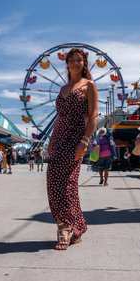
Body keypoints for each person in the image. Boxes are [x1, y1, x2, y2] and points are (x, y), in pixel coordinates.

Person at [47, 48, 98, 250]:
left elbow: (93, 116)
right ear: (67, 63)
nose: (76, 63)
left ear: (84, 63)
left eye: (80, 60)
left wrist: (84, 142)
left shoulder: (89, 86)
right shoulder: (63, 89)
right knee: (53, 181)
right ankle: (74, 226)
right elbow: (60, 117)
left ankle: (65, 230)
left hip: (76, 138)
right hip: (58, 138)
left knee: (67, 184)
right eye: (72, 60)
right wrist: (50, 140)